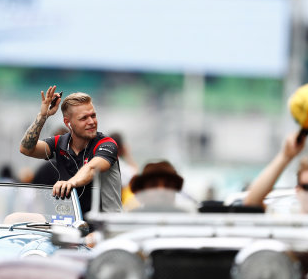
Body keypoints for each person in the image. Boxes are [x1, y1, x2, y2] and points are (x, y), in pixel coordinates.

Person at [19, 86, 122, 215]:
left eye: (93, 116)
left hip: (103, 228)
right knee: (15, 218)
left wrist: (71, 183)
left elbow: (91, 168)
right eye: (84, 118)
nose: (91, 122)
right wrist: (43, 116)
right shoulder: (59, 142)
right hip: (70, 224)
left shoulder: (106, 143)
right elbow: (26, 149)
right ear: (68, 123)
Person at [243, 132, 308, 214]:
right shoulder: (286, 222)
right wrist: (286, 156)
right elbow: (252, 202)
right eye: (307, 187)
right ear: (298, 191)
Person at [126, 160, 194, 212]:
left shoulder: (187, 220)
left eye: (168, 186)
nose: (161, 190)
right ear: (141, 190)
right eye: (153, 185)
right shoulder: (130, 220)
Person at [109, 132, 138, 205]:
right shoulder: (120, 166)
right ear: (121, 148)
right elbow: (135, 177)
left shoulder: (102, 163)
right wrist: (128, 155)